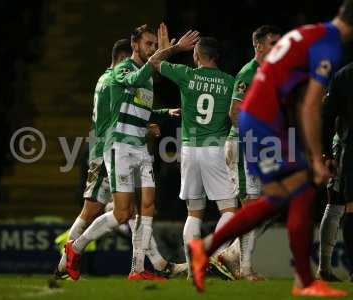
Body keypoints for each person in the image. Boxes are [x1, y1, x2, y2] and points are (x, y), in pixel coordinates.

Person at [189, 0, 353, 296]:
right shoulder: (327, 45)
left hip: (261, 119)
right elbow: (313, 104)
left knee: (280, 196)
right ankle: (304, 282)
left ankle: (207, 248)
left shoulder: (306, 34)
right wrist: (317, 156)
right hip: (263, 122)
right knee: (300, 188)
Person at [53, 38, 185, 280]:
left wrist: (162, 113)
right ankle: (65, 262)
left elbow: (134, 111)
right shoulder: (114, 79)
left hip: (106, 148)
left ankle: (153, 263)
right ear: (124, 58)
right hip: (109, 149)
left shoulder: (105, 80)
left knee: (130, 211)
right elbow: (119, 118)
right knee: (95, 211)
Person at [150, 28, 238, 279]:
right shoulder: (230, 82)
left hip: (189, 149)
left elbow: (154, 62)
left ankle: (193, 272)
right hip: (215, 148)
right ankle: (216, 257)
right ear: (216, 57)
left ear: (197, 55)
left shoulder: (186, 74)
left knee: (193, 213)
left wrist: (175, 49)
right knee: (229, 211)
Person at [223, 25, 281, 281]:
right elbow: (235, 113)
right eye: (272, 42)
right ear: (258, 46)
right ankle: (245, 269)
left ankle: (231, 253)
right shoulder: (249, 73)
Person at [319, 61, 353, 282]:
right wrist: (328, 155)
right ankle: (324, 267)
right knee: (339, 204)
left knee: (342, 205)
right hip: (346, 147)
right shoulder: (344, 75)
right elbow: (327, 115)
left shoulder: (343, 75)